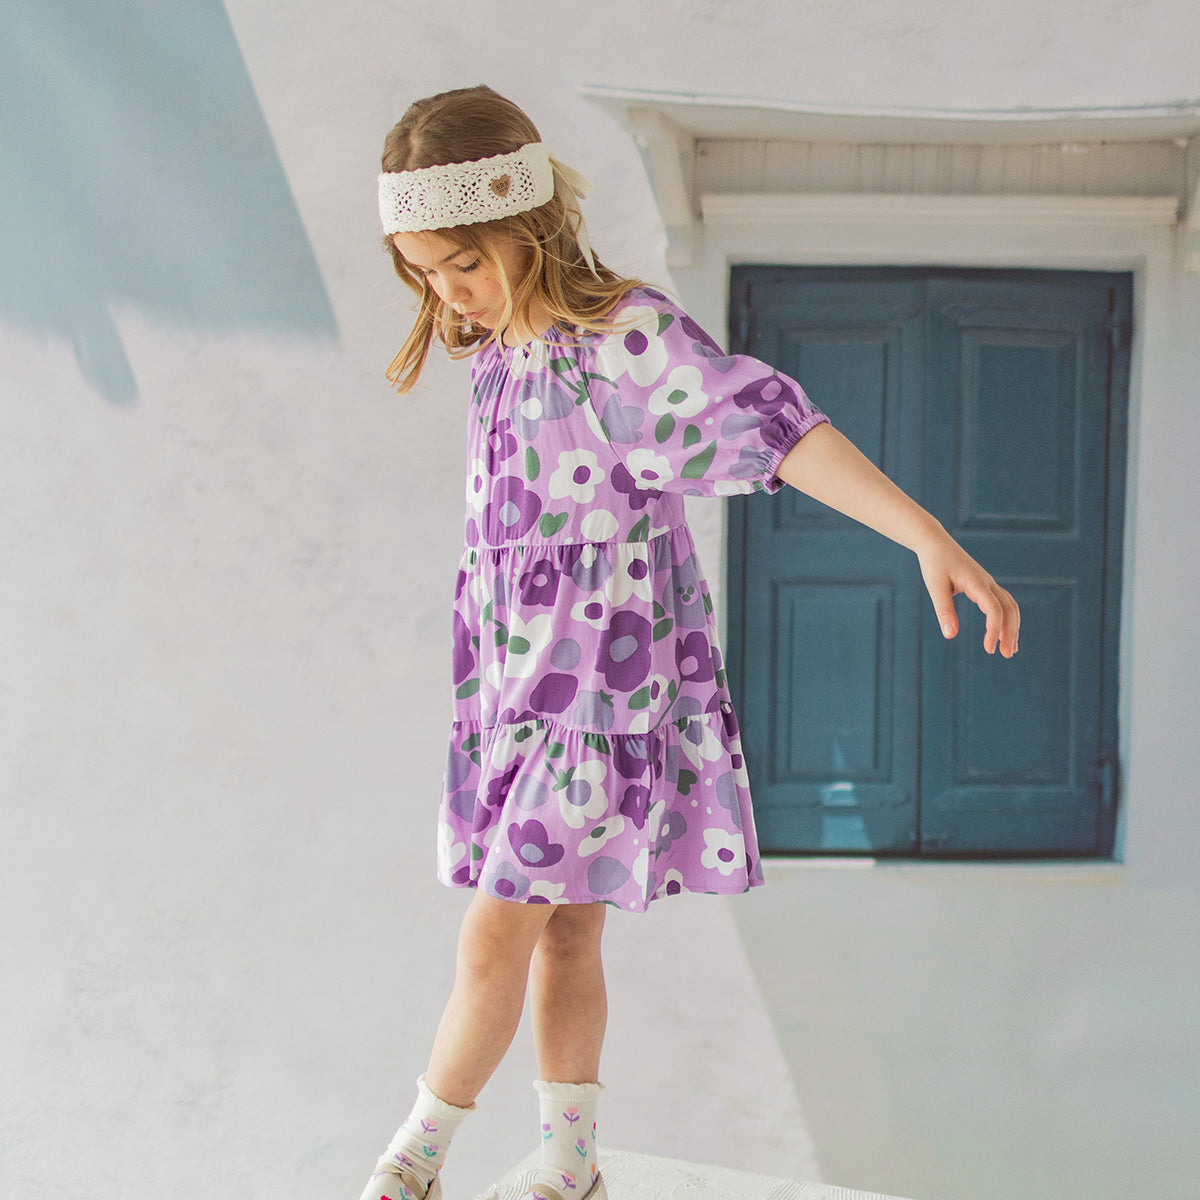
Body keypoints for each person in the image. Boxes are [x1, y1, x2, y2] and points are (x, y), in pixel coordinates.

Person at [359, 85, 1019, 1200]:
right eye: (424, 271)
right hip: (521, 702)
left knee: (492, 940)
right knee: (567, 935)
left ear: (525, 224)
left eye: (461, 264)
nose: (445, 292)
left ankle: (410, 1164)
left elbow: (772, 425)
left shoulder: (622, 341)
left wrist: (922, 531)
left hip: (594, 701)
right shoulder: (501, 361)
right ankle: (572, 1169)